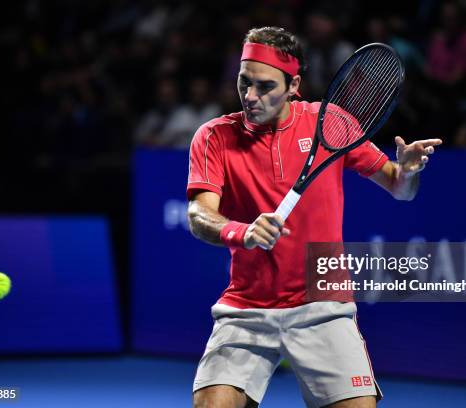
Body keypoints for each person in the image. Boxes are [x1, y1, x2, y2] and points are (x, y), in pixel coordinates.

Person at [187, 26, 442, 408]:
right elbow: (199, 214)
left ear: (294, 86)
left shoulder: (330, 122)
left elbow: (399, 189)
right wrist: (244, 232)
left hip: (323, 305)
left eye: (265, 86)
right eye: (244, 83)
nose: (250, 96)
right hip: (247, 308)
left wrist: (406, 172)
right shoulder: (214, 136)